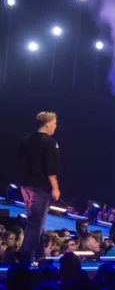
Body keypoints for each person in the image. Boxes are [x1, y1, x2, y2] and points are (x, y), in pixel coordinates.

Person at [15, 111, 61, 263]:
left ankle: (39, 256)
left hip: (25, 186)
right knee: (36, 224)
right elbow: (51, 170)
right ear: (48, 123)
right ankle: (26, 259)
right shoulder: (50, 142)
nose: (56, 126)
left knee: (34, 222)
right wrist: (55, 188)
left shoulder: (25, 140)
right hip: (40, 187)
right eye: (54, 123)